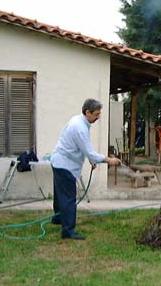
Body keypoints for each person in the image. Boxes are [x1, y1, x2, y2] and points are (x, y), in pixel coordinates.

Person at [51, 99, 121, 240]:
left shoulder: (78, 120)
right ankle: (68, 231)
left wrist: (90, 159)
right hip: (65, 165)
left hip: (59, 161)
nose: (98, 117)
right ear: (87, 112)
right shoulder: (80, 128)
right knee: (69, 198)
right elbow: (89, 151)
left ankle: (58, 218)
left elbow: (82, 147)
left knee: (60, 195)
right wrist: (109, 160)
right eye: (96, 114)